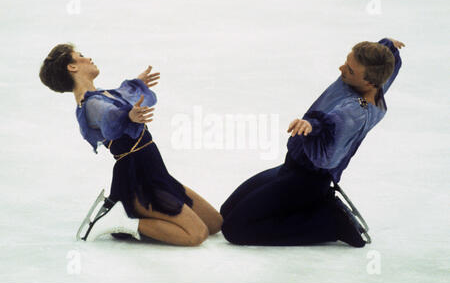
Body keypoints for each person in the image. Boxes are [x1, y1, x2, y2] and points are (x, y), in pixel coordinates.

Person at [220, 38, 404, 248]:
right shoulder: (371, 85)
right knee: (227, 213)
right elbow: (390, 71)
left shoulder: (356, 111)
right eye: (346, 62)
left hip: (307, 180)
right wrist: (389, 47)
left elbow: (332, 136)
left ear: (369, 82)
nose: (342, 69)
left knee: (234, 229)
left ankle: (330, 222)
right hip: (290, 169)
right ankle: (314, 206)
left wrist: (311, 126)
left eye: (350, 69)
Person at [39, 44, 223, 246]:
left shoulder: (100, 95)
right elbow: (109, 116)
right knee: (197, 234)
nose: (88, 58)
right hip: (138, 180)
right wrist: (128, 115)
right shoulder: (90, 105)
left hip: (156, 173)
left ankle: (130, 216)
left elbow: (120, 96)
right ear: (72, 67)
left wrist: (137, 84)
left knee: (215, 223)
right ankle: (121, 221)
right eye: (80, 56)